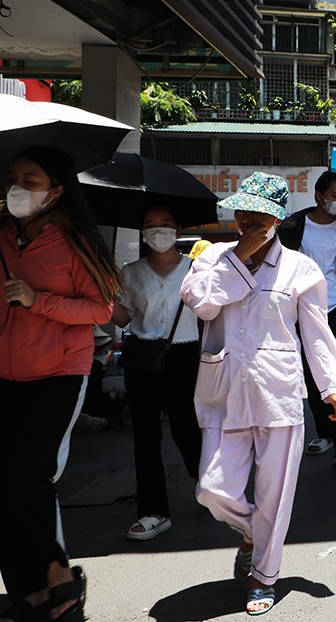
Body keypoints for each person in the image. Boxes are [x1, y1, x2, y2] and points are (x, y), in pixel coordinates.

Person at [181, 172, 336, 616]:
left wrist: (332, 385)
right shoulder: (213, 257)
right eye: (241, 211)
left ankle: (263, 576)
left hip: (278, 391)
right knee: (212, 490)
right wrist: (240, 254)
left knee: (275, 495)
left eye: (257, 213)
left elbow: (316, 332)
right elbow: (200, 303)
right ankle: (254, 533)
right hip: (223, 390)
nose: (246, 219)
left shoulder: (300, 268)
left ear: (276, 217)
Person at [1, 146, 121, 622]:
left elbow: (100, 311)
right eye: (13, 178)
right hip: (6, 373)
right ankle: (28, 590)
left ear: (56, 191)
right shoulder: (3, 236)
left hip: (59, 373)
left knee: (29, 474)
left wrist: (39, 300)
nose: (17, 188)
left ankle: (59, 576)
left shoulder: (79, 245)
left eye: (30, 179)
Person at [111, 207, 202, 542]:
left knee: (186, 426)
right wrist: (102, 294)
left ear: (178, 228)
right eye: (150, 225)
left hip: (186, 352)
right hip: (142, 354)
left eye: (165, 224)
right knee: (145, 434)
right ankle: (154, 511)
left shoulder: (197, 269)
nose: (158, 231)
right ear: (142, 231)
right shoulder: (129, 272)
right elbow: (123, 318)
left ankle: (204, 481)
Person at [278, 170, 336, 468]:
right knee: (312, 374)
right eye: (333, 196)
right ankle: (324, 433)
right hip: (302, 311)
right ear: (318, 195)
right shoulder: (293, 226)